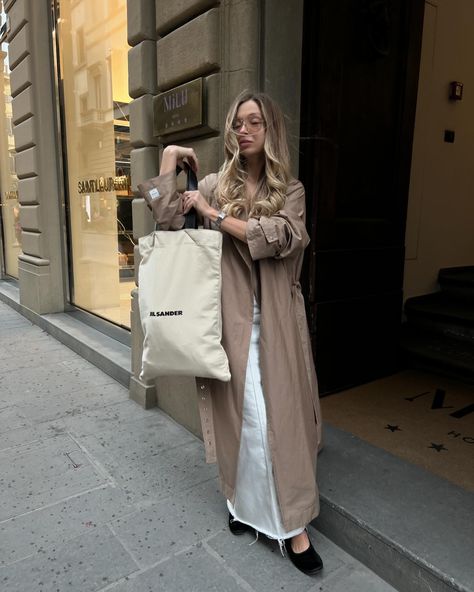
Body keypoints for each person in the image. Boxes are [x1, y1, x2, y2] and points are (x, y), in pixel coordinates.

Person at [147, 91, 323, 576]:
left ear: (270, 130)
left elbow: (279, 238)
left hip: (278, 327)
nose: (243, 130)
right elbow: (163, 219)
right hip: (228, 323)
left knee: (277, 421)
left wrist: (214, 214)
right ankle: (242, 507)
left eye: (255, 122)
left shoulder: (290, 190)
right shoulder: (212, 183)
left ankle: (293, 525)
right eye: (238, 122)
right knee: (242, 419)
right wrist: (167, 161)